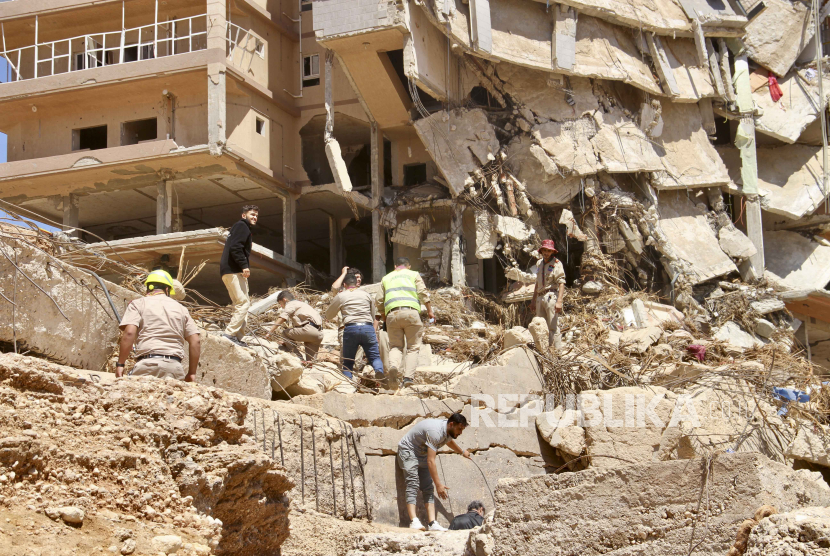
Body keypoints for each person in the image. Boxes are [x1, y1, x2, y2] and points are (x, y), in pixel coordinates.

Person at [116, 270, 201, 381]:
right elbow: (195, 341)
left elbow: (129, 332)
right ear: (167, 289)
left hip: (147, 365)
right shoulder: (182, 309)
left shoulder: (138, 304)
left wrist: (120, 364)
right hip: (174, 368)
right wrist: (192, 373)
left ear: (148, 288)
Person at [397, 413, 470, 531]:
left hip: (422, 454)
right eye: (459, 429)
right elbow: (431, 461)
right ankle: (413, 521)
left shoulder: (448, 430)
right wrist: (439, 485)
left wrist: (462, 452)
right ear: (451, 424)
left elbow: (449, 441)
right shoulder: (435, 432)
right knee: (413, 483)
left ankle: (432, 524)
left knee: (428, 488)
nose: (460, 432)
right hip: (408, 451)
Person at [379, 257, 434, 388]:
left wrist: (384, 316)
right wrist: (430, 311)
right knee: (413, 347)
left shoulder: (386, 278)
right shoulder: (413, 274)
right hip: (411, 313)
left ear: (395, 266)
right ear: (408, 266)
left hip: (392, 314)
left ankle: (393, 366)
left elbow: (379, 300)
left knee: (395, 346)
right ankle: (408, 378)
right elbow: (423, 293)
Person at [325, 273, 383, 381]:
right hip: (367, 328)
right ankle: (379, 371)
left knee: (348, 361)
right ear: (356, 283)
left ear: (345, 284)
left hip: (351, 328)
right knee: (375, 357)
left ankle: (348, 383)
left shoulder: (341, 295)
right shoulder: (366, 295)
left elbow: (328, 315)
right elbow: (373, 314)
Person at [219, 205, 258, 348]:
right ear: (244, 215)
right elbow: (236, 247)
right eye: (252, 214)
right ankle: (230, 334)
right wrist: (244, 265)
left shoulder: (239, 228)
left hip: (230, 270)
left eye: (256, 215)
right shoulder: (242, 226)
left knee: (242, 303)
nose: (254, 217)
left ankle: (237, 336)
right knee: (243, 303)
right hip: (234, 270)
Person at [265, 291, 323, 362]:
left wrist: (269, 333)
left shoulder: (290, 304)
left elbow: (283, 317)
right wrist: (287, 342)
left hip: (309, 330)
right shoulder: (302, 304)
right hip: (318, 333)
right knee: (310, 361)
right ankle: (309, 364)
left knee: (285, 333)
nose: (281, 306)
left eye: (280, 303)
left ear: (284, 299)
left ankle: (299, 359)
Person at [530, 239, 566, 349]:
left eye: (548, 251)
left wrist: (559, 301)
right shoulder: (539, 263)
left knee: (553, 327)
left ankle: (556, 352)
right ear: (541, 251)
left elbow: (561, 282)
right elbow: (537, 283)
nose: (546, 253)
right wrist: (533, 300)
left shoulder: (556, 264)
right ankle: (544, 351)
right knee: (540, 326)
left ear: (552, 252)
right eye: (544, 250)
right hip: (540, 297)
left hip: (551, 296)